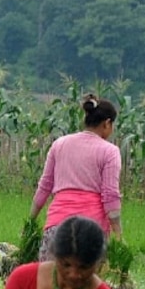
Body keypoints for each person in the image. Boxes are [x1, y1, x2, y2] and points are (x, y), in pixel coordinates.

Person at [30, 95, 122, 261]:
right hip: (91, 232)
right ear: (107, 123)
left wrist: (30, 221)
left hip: (56, 228)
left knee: (51, 282)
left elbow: (45, 187)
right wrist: (118, 234)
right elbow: (110, 195)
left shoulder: (60, 144)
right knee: (86, 284)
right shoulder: (109, 151)